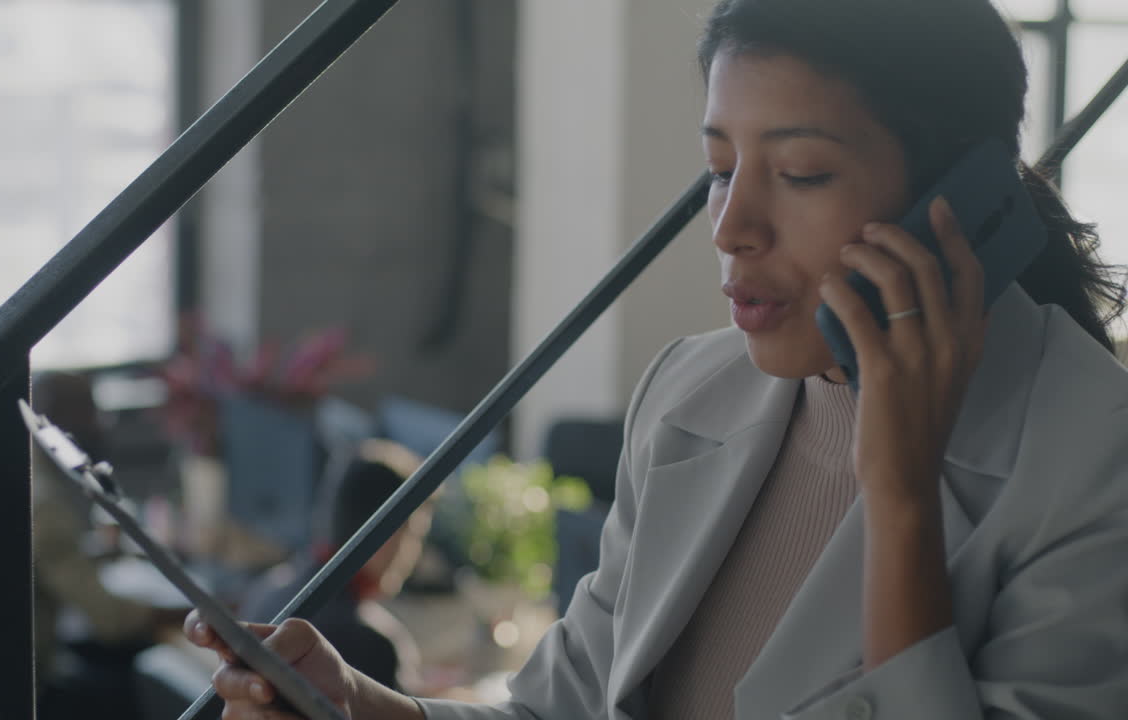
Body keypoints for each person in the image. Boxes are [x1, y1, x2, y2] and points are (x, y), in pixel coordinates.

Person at [185, 0, 1128, 717]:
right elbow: (559, 709)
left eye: (800, 173)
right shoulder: (693, 389)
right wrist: (359, 707)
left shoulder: (1096, 461)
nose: (732, 226)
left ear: (961, 198)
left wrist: (901, 496)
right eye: (720, 169)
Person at [30, 372, 190, 718]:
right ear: (58, 421)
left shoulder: (27, 478)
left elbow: (49, 562)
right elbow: (111, 620)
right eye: (89, 412)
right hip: (27, 691)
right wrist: (194, 611)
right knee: (148, 685)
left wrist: (102, 554)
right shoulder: (43, 505)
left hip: (3, 668)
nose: (100, 425)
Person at [236, 438, 430, 693]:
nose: (416, 554)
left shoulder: (268, 589)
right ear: (390, 534)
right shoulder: (372, 643)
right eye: (414, 535)